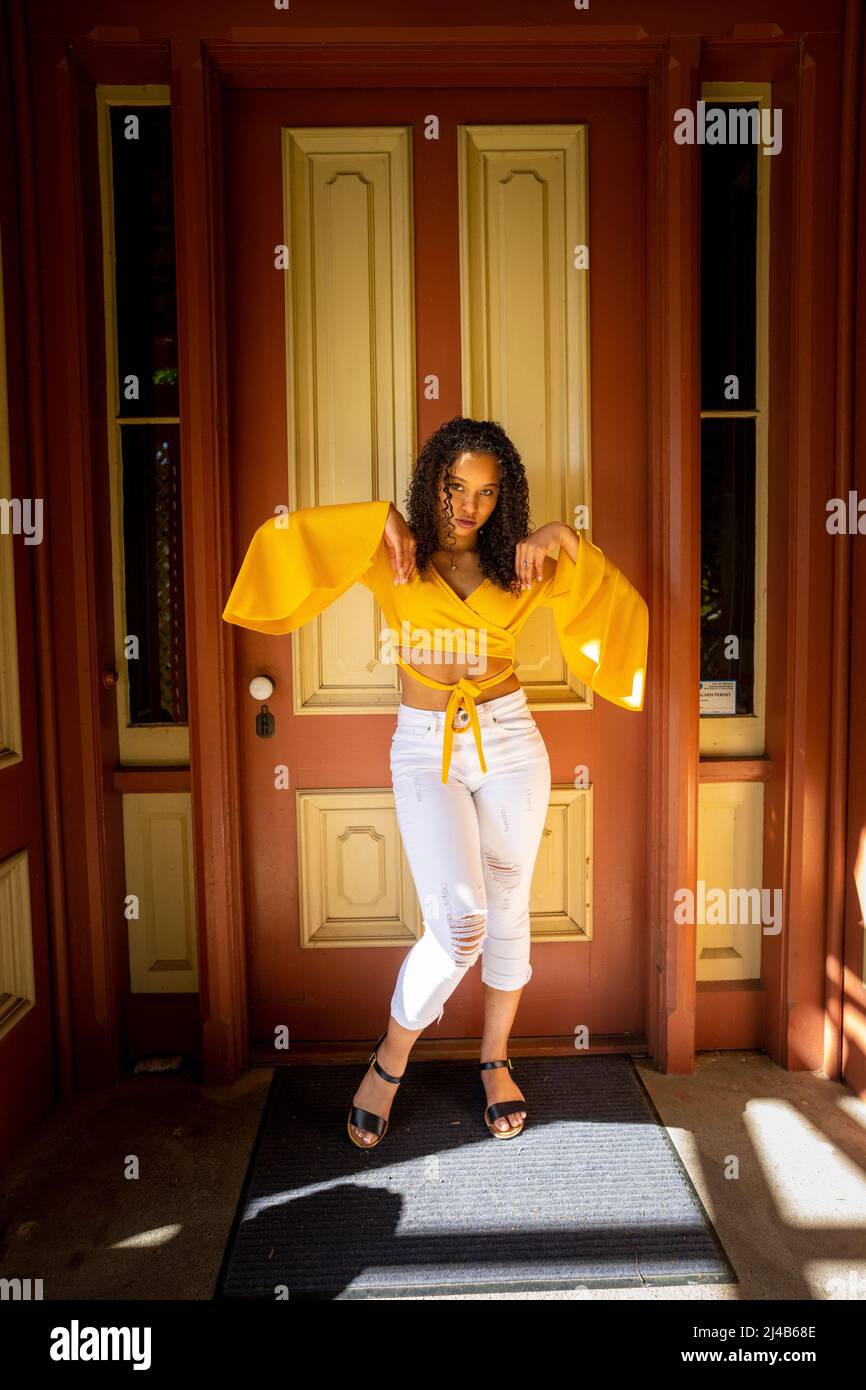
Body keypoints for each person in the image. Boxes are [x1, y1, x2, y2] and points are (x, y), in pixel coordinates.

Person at [222, 416, 648, 1148]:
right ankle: (389, 1062)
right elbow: (284, 543)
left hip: (512, 741)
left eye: (486, 491)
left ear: (501, 496)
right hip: (426, 751)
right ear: (432, 485)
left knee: (510, 906)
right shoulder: (393, 557)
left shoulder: (522, 567)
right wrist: (373, 517)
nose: (468, 505)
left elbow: (622, 613)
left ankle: (493, 1058)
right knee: (460, 926)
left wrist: (568, 541)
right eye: (455, 486)